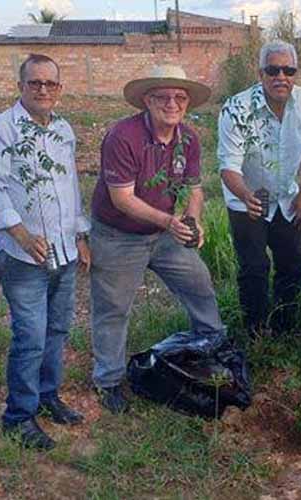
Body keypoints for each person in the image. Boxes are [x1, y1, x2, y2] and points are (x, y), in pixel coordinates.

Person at [89, 65, 225, 413]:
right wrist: (170, 221)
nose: (172, 103)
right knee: (113, 309)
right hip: (118, 234)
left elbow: (194, 189)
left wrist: (192, 222)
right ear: (147, 101)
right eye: (162, 97)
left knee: (199, 283)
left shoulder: (189, 138)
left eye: (179, 97)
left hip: (163, 231)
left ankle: (213, 345)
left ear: (187, 103)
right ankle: (108, 381)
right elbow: (123, 199)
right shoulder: (123, 136)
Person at [0, 54, 90, 450]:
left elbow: (70, 187)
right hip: (24, 255)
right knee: (29, 336)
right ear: (20, 85)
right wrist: (22, 234)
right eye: (35, 83)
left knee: (57, 330)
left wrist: (79, 234)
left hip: (63, 251)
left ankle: (48, 396)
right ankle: (19, 416)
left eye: (51, 84)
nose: (43, 90)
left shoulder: (64, 130)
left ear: (59, 89)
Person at [217, 40, 301, 336]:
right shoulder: (237, 108)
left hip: (286, 196)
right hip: (246, 197)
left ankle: (286, 326)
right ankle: (256, 332)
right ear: (260, 72)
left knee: (293, 263)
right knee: (254, 268)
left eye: (289, 70)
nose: (281, 77)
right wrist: (246, 196)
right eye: (273, 70)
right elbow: (228, 167)